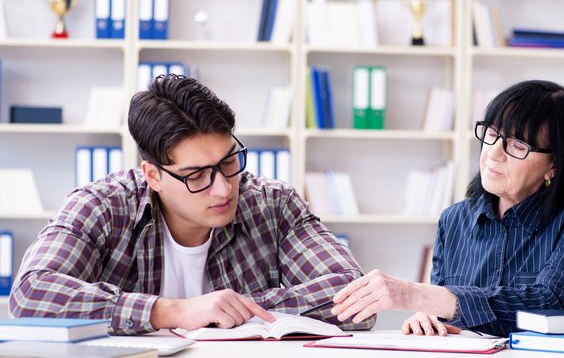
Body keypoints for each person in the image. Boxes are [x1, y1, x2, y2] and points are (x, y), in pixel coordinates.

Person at [10, 74, 375, 335]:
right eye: (196, 175)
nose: (222, 189)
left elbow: (357, 296)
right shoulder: (102, 206)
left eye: (229, 162)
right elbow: (30, 296)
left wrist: (235, 308)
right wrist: (173, 311)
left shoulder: (274, 205)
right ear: (152, 175)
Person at [330, 80, 564, 337]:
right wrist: (428, 318)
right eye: (491, 133)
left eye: (517, 145)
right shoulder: (453, 220)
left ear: (554, 163)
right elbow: (442, 312)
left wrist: (417, 295)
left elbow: (554, 303)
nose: (493, 152)